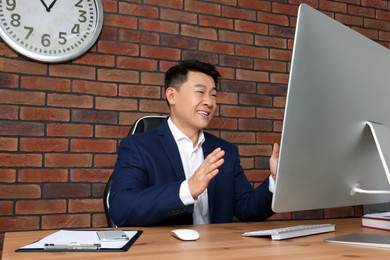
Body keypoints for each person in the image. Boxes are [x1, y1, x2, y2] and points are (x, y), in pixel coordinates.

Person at [109, 60, 280, 226]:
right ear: (172, 96)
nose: (209, 102)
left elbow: (248, 211)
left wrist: (274, 179)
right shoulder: (137, 147)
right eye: (200, 92)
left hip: (218, 251)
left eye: (213, 95)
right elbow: (122, 210)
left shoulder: (224, 151)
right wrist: (187, 190)